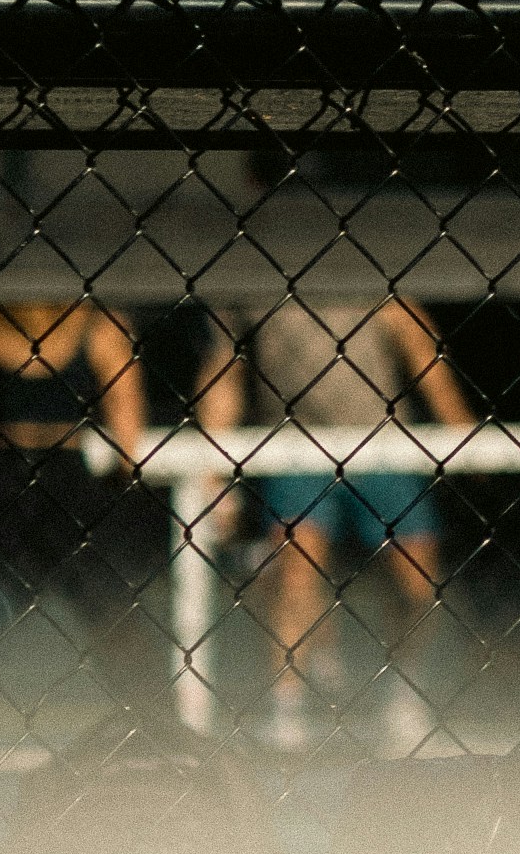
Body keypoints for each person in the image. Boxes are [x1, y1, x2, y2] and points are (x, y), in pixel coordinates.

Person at [196, 293, 476, 756]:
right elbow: (222, 372)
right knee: (294, 570)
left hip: (383, 442)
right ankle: (287, 708)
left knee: (419, 582)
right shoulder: (250, 278)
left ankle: (405, 692)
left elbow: (420, 344)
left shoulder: (369, 271)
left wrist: (462, 430)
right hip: (295, 444)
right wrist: (212, 473)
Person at [0, 296, 156, 777]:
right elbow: (127, 418)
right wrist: (119, 483)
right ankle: (156, 735)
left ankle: (155, 737)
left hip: (17, 480)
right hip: (31, 481)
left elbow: (126, 415)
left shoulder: (91, 326)